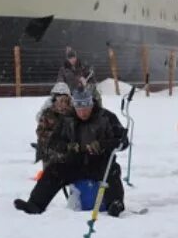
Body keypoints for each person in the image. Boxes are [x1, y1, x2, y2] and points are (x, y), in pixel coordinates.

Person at [14, 87, 128, 217]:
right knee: (53, 170)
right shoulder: (67, 119)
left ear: (92, 103)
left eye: (86, 106)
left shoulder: (106, 117)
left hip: (100, 161)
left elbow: (123, 142)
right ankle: (35, 205)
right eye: (79, 107)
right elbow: (53, 142)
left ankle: (116, 204)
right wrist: (69, 146)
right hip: (75, 162)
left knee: (112, 171)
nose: (83, 111)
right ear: (74, 105)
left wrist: (102, 145)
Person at [35, 82, 73, 166]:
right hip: (51, 152)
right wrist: (55, 137)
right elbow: (40, 132)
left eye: (65, 100)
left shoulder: (73, 113)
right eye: (60, 100)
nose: (62, 104)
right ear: (54, 100)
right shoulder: (48, 114)